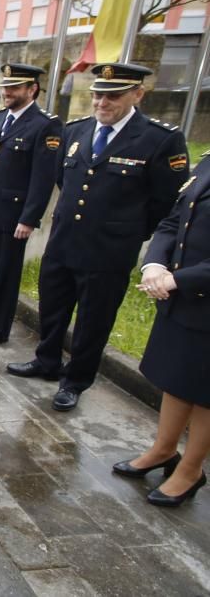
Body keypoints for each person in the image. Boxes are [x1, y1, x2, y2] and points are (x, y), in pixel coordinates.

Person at [6, 63, 189, 412]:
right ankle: (47, 360)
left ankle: (76, 380)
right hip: (64, 243)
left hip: (109, 251)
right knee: (53, 308)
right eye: (97, 95)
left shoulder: (159, 138)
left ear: (137, 94)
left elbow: (165, 201)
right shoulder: (77, 131)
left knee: (94, 320)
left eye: (112, 96)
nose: (102, 103)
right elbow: (65, 178)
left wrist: (128, 231)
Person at [113, 151, 209, 507]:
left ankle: (191, 470)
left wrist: (177, 279)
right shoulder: (208, 161)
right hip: (182, 297)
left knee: (205, 390)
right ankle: (164, 449)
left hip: (196, 291)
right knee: (177, 376)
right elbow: (174, 220)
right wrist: (154, 264)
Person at [0, 63, 62, 346]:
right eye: (6, 87)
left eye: (15, 87)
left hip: (12, 214)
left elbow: (43, 178)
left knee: (4, 274)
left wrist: (29, 218)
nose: (7, 92)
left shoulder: (45, 125)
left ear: (32, 90)